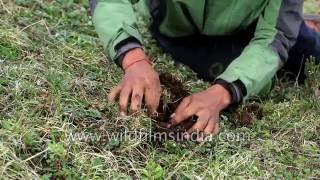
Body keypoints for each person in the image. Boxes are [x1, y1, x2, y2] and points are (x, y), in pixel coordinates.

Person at [89, 0, 320, 135]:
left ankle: (306, 26)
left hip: (253, 23)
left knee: (309, 51)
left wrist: (219, 95)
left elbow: (276, 35)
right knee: (256, 74)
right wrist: (134, 59)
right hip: (181, 31)